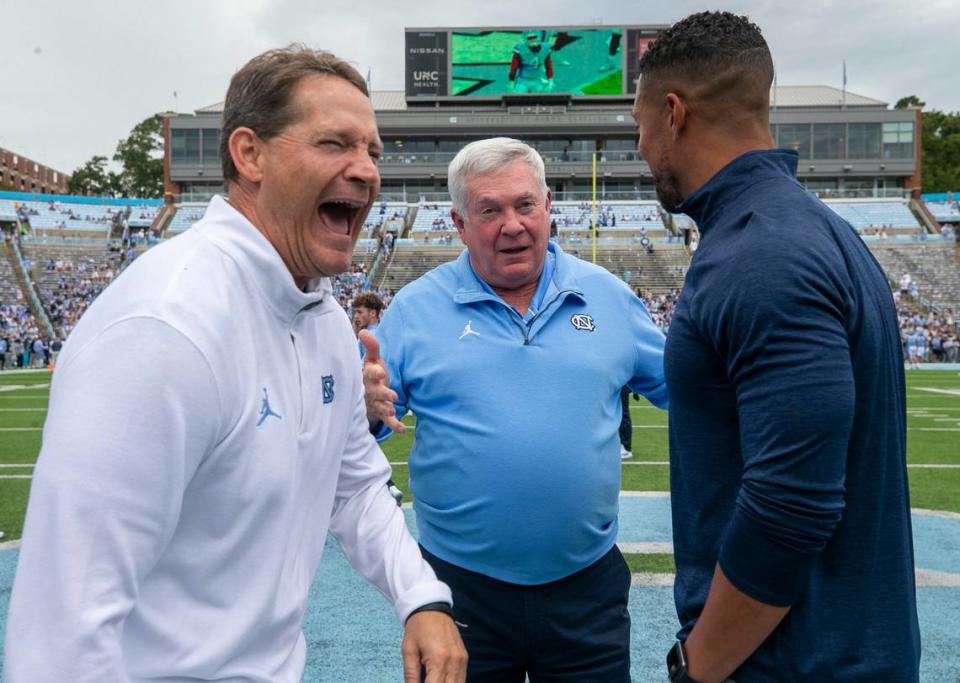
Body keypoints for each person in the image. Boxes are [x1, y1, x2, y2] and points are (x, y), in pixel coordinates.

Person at [4, 46, 466, 683]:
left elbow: (353, 484)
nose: (365, 171)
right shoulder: (166, 326)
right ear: (249, 154)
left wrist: (421, 597)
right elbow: (63, 629)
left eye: (373, 152)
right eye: (335, 143)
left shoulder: (325, 317)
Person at [632, 12, 920, 682]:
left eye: (640, 124)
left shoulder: (761, 255)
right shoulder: (813, 231)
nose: (641, 146)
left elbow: (791, 504)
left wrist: (699, 664)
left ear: (674, 114)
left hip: (797, 661)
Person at [361, 137, 668, 681]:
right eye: (489, 210)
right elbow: (366, 424)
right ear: (458, 223)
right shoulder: (415, 308)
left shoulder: (609, 296)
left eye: (525, 205)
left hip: (586, 588)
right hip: (460, 590)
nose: (512, 224)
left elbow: (689, 388)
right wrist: (364, 408)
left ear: (548, 205)